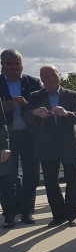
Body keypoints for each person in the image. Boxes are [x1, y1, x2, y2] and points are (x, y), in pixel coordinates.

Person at [24, 65, 76, 227]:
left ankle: (72, 214)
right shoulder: (35, 96)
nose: (50, 78)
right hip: (47, 145)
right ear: (41, 79)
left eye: (53, 75)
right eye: (46, 76)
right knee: (51, 182)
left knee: (73, 181)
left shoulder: (73, 95)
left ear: (60, 76)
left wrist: (66, 113)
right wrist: (35, 113)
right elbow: (26, 118)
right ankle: (58, 215)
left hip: (70, 144)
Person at [0, 49, 41, 227]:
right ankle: (9, 214)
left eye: (17, 63)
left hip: (30, 137)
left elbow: (43, 106)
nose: (14, 66)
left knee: (31, 176)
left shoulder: (33, 82)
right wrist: (3, 107)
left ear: (22, 64)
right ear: (2, 64)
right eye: (9, 63)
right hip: (5, 139)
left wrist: (27, 104)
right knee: (7, 177)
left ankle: (27, 211)